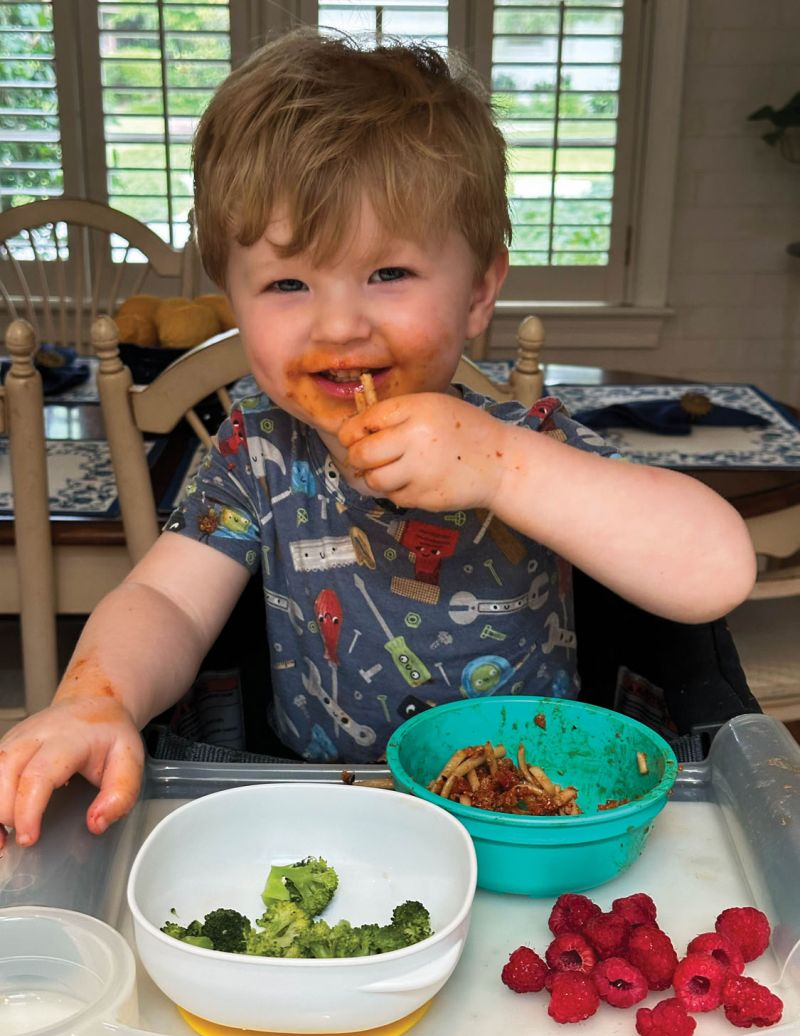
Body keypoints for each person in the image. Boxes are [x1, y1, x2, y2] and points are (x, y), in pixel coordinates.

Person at [0, 30, 756, 849]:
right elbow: (166, 601)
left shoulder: (524, 439)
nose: (338, 325)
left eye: (387, 274)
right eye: (287, 283)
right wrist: (92, 695)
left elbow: (716, 571)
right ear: (234, 300)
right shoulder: (257, 450)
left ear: (478, 292)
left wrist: (500, 470)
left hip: (532, 818)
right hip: (325, 814)